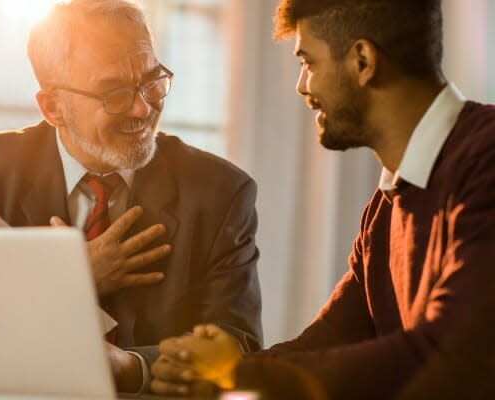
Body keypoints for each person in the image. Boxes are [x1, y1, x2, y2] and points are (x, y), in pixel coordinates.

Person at [0, 0, 263, 393]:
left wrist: (132, 367)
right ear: (53, 107)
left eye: (153, 81)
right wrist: (63, 280)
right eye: (115, 92)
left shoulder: (220, 191)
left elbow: (239, 349)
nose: (143, 107)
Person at [149, 0, 495, 399]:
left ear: (363, 61)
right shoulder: (385, 206)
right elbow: (331, 339)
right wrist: (225, 371)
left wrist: (237, 374)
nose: (302, 86)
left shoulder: (487, 161)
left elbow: (448, 351)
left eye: (308, 63)